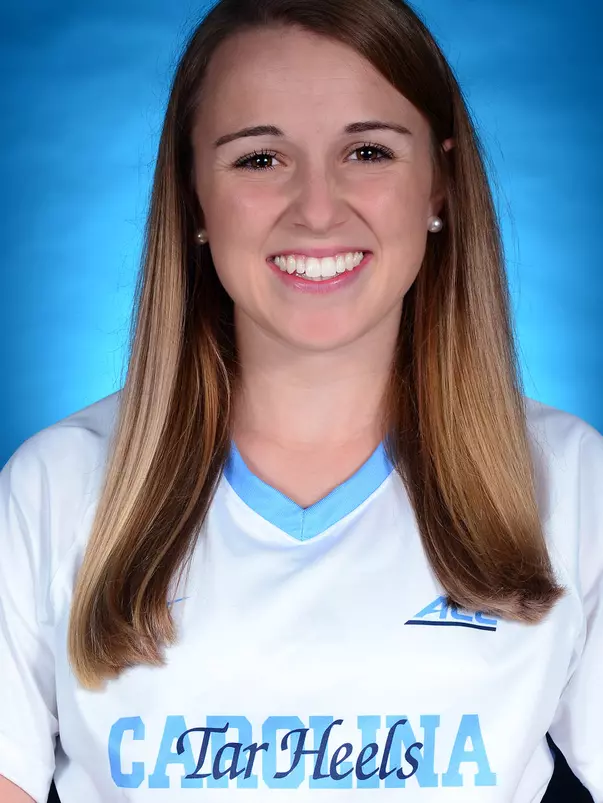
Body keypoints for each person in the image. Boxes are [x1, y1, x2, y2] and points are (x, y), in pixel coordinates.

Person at [0, 0, 601, 800]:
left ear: (440, 185)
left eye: (367, 150)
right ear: (193, 197)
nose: (317, 210)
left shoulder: (568, 483)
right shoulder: (57, 487)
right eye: (259, 160)